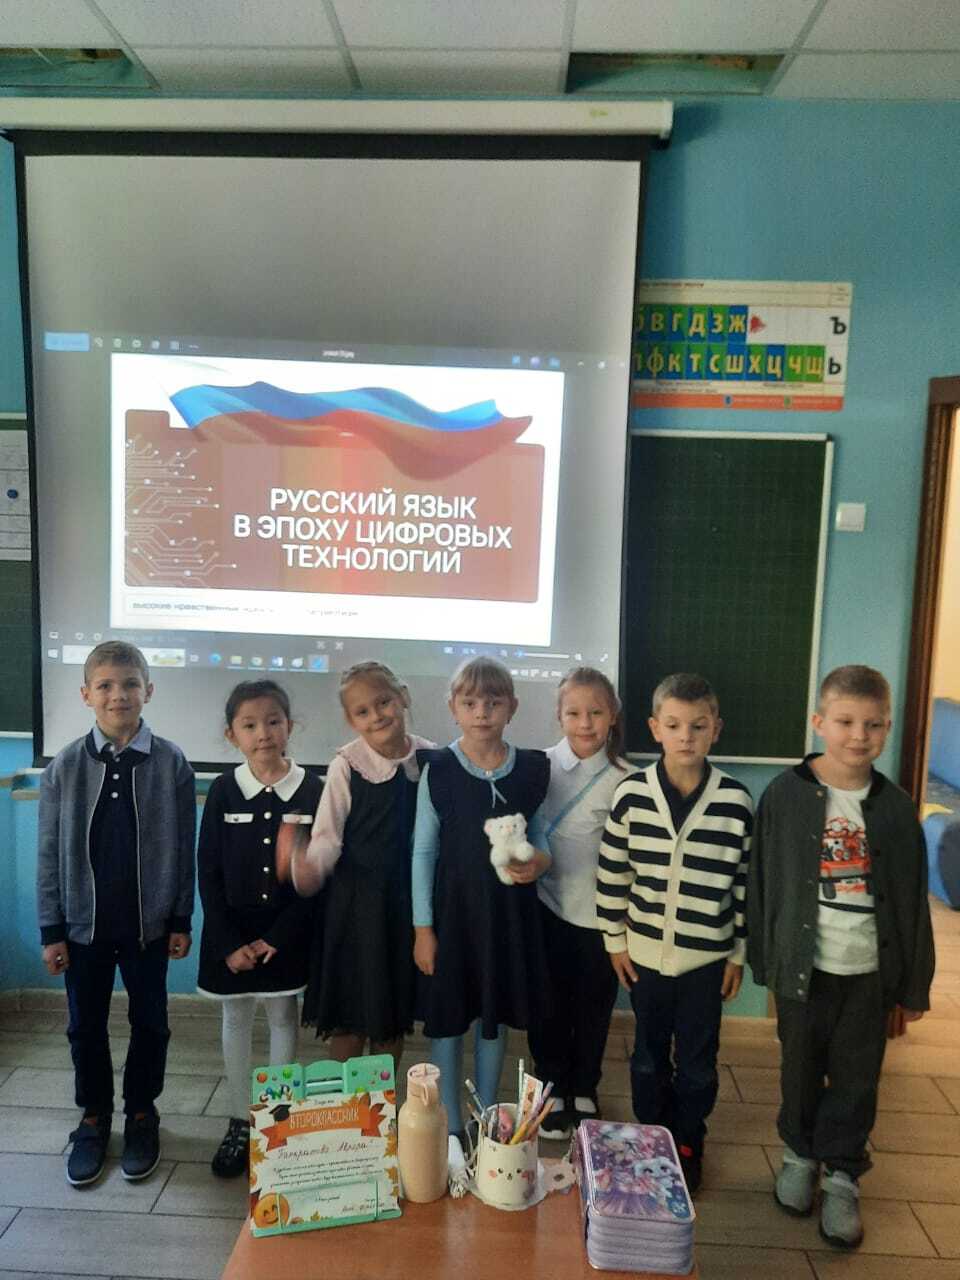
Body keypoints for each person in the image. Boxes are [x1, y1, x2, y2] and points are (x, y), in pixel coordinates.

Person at [747, 664, 935, 1250]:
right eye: (846, 722)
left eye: (873, 724)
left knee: (857, 1076)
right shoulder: (785, 795)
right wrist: (763, 958)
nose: (859, 735)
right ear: (819, 722)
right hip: (804, 969)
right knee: (800, 1066)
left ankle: (844, 1174)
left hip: (868, 974)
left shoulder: (896, 809)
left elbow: (913, 901)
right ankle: (800, 1154)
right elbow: (762, 882)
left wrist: (915, 984)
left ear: (887, 728)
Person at [36, 640, 196, 1187]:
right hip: (83, 930)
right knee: (85, 1026)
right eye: (104, 685)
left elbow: (184, 847)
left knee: (151, 1023)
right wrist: (52, 929)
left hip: (149, 928)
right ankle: (93, 1117)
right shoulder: (64, 767)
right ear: (86, 695)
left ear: (148, 690)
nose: (118, 695)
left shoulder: (171, 762)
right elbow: (49, 854)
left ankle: (142, 1114)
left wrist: (180, 919)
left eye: (129, 684)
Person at [597, 673, 752, 1194]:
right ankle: (652, 1135)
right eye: (674, 725)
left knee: (698, 1063)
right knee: (647, 1056)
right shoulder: (632, 794)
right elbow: (613, 873)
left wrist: (738, 953)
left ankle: (687, 1140)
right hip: (644, 956)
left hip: (705, 962)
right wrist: (614, 941)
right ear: (654, 728)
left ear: (716, 730)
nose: (686, 736)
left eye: (698, 726)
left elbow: (744, 885)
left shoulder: (735, 801)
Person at [412, 657, 552, 1142]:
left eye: (493, 702)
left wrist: (542, 861)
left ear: (512, 707)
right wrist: (423, 929)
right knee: (448, 1021)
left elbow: (540, 834)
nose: (482, 712)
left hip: (507, 920)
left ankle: (487, 1115)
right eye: (470, 703)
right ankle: (450, 1123)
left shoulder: (530, 770)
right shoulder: (439, 770)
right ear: (453, 708)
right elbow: (423, 851)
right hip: (452, 920)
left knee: (494, 1019)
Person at [197, 680, 321, 1178]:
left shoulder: (313, 789)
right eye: (249, 725)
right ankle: (238, 1120)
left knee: (283, 1017)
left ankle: (277, 1119)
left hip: (284, 935)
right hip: (232, 934)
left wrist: (279, 938)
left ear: (290, 726)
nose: (263, 733)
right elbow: (208, 871)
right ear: (232, 735)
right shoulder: (223, 790)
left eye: (273, 721)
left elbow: (317, 875)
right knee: (236, 1018)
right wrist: (229, 943)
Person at [297, 662, 432, 1071]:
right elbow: (327, 836)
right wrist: (309, 869)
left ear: (403, 696)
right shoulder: (347, 765)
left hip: (405, 908)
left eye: (384, 702)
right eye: (362, 711)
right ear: (350, 720)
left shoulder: (430, 758)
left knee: (390, 1017)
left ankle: (378, 1104)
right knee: (350, 1016)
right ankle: (345, 1106)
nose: (376, 716)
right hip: (355, 909)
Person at [528, 668, 633, 1141]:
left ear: (613, 715)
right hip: (546, 909)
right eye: (573, 713)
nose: (585, 723)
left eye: (595, 712)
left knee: (593, 1006)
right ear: (559, 715)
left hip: (601, 917)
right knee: (547, 1005)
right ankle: (551, 1085)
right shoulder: (539, 765)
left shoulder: (626, 779)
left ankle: (585, 1084)